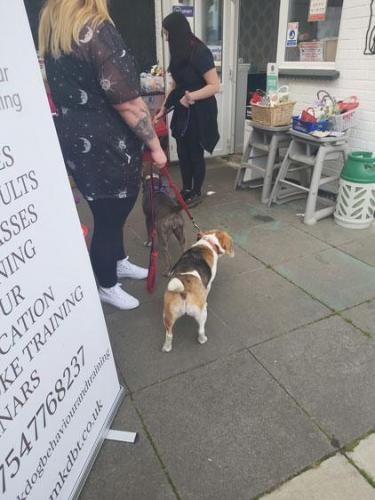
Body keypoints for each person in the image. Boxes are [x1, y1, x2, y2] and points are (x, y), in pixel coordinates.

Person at [38, 0, 167, 310]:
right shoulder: (95, 28)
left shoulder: (55, 29)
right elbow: (130, 104)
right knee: (111, 217)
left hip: (76, 139)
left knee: (106, 211)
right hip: (108, 145)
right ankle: (107, 284)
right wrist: (157, 147)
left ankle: (118, 261)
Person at [155, 11, 220, 207]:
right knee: (182, 151)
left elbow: (214, 85)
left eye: (167, 33)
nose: (167, 38)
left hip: (200, 110)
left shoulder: (200, 52)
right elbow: (175, 86)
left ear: (177, 31)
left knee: (194, 151)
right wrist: (163, 108)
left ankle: (196, 191)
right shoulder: (178, 53)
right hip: (183, 107)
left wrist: (191, 96)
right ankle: (186, 189)